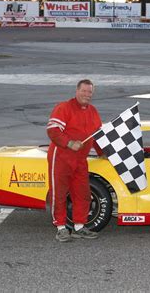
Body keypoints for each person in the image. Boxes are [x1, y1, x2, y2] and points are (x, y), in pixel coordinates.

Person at [46, 79, 103, 242]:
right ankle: (61, 227)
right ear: (77, 91)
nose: (87, 95)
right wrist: (69, 143)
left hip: (80, 159)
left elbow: (97, 135)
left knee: (83, 193)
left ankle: (79, 227)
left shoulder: (93, 111)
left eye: (90, 92)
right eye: (84, 91)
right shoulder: (64, 107)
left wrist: (101, 152)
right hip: (61, 156)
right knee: (59, 193)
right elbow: (52, 130)